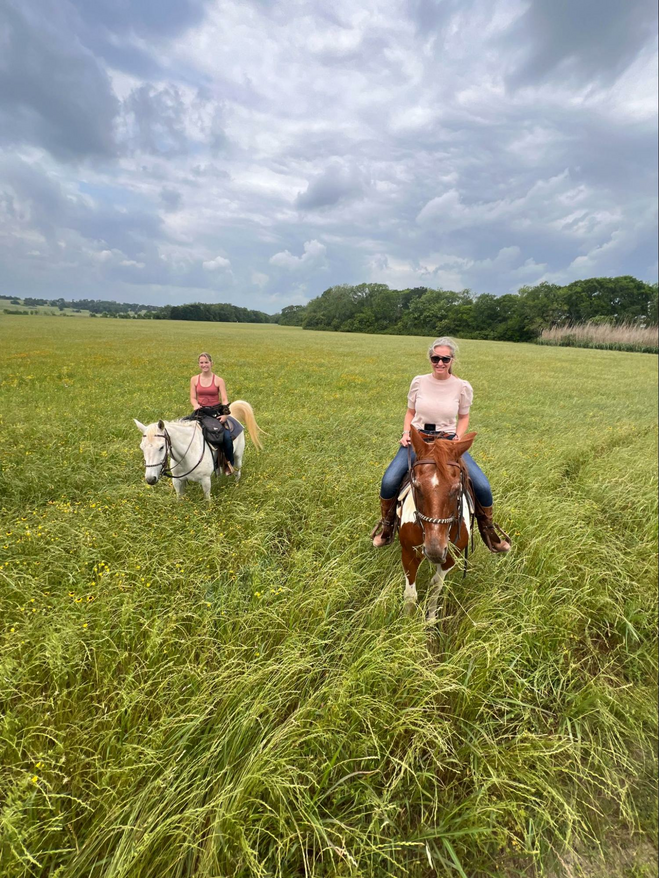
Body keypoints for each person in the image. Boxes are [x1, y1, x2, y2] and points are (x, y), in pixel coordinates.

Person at [371, 337, 511, 553]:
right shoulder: (419, 381)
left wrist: (457, 437)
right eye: (435, 358)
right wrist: (406, 432)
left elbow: (464, 417)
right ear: (430, 359)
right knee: (389, 481)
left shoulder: (461, 386)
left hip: (447, 441)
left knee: (482, 485)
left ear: (451, 359)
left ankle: (489, 532)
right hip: (419, 439)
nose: (440, 363)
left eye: (445, 359)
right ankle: (387, 528)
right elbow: (410, 412)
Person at [189, 352, 234, 475]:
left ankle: (228, 463)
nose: (204, 365)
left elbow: (224, 399)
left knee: (226, 437)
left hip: (215, 412)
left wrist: (225, 414)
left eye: (206, 362)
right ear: (199, 364)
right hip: (200, 412)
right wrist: (195, 405)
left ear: (211, 363)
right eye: (201, 362)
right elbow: (193, 397)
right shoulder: (194, 379)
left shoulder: (219, 380)